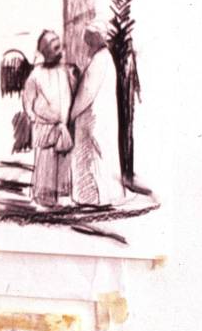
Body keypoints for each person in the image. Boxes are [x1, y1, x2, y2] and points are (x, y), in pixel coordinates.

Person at [69, 21, 125, 206]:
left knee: (94, 155)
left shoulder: (99, 60)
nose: (87, 44)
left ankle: (94, 198)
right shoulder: (104, 58)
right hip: (101, 117)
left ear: (97, 38)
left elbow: (86, 92)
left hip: (93, 119)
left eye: (89, 39)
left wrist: (71, 114)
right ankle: (107, 195)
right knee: (101, 154)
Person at [21, 30, 75, 207]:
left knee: (64, 159)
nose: (59, 49)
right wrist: (33, 116)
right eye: (54, 44)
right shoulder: (35, 75)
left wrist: (65, 121)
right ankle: (44, 197)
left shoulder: (63, 71)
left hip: (62, 126)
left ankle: (63, 196)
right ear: (45, 50)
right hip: (45, 126)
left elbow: (67, 96)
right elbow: (28, 100)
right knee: (46, 161)